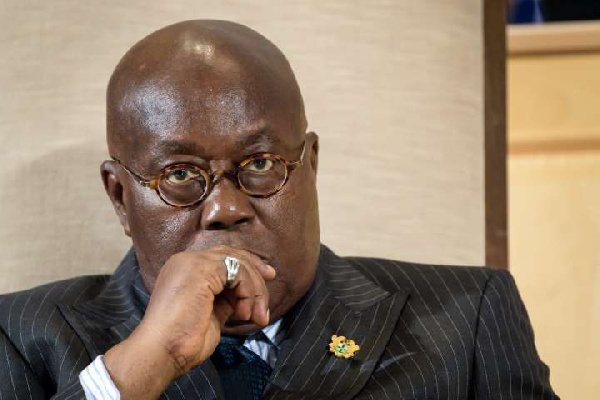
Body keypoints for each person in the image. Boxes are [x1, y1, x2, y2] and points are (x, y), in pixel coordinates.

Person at [0, 20, 558, 400]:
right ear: (121, 197)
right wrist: (149, 359)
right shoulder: (23, 336)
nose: (225, 209)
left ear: (309, 164)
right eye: (181, 175)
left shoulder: (468, 319)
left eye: (261, 163)